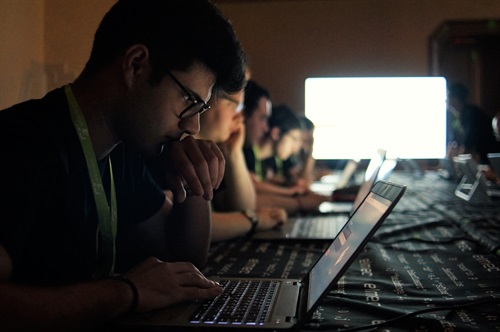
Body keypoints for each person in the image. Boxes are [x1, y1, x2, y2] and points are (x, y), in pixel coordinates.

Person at [0, 0, 246, 330]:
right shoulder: (20, 143)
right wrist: (125, 293)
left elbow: (183, 263)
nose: (193, 127)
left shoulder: (122, 149)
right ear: (135, 65)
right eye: (190, 102)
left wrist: (196, 180)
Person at [195, 89, 287, 242]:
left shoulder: (215, 152)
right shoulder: (168, 152)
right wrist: (255, 219)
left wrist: (233, 152)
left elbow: (243, 205)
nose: (240, 118)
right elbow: (191, 232)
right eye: (232, 106)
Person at [244, 104, 330, 214]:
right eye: (294, 139)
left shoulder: (268, 158)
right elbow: (253, 186)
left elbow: (267, 182)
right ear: (276, 133)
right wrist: (291, 192)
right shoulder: (249, 153)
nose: (297, 146)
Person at [447, 82, 500, 164]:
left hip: (489, 160)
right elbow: (455, 144)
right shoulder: (457, 117)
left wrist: (458, 164)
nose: (446, 100)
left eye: (448, 97)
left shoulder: (472, 114)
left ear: (455, 98)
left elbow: (467, 146)